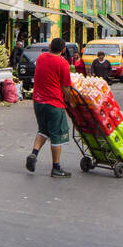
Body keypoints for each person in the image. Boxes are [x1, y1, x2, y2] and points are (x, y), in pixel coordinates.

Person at [25, 38, 75, 178]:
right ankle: (56, 167)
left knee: (43, 130)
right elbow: (66, 87)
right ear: (64, 50)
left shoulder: (41, 57)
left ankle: (34, 154)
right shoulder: (63, 63)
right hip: (54, 103)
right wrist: (71, 102)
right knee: (56, 136)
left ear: (49, 46)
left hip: (38, 101)